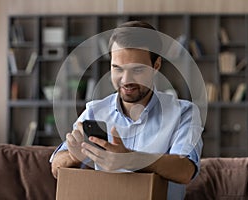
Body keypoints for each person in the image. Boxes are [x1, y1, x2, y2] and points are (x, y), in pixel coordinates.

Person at [50, 21, 203, 199]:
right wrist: (75, 157)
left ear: (156, 66)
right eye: (117, 69)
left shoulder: (184, 113)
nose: (126, 80)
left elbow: (185, 170)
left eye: (137, 69)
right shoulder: (94, 111)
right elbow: (55, 166)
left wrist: (129, 159)